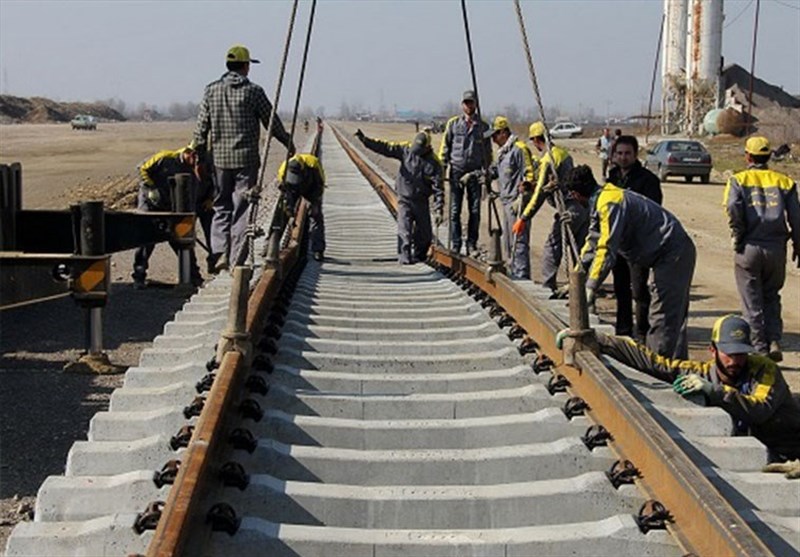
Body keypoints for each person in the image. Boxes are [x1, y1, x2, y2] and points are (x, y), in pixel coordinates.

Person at [556, 315, 800, 471]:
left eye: (740, 353)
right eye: (729, 353)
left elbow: (759, 410)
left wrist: (715, 392)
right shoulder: (703, 372)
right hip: (760, 456)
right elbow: (655, 363)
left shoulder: (765, 370)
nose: (736, 360)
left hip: (790, 449)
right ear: (712, 350)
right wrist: (598, 340)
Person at [566, 165, 695, 359]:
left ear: (575, 194)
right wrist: (577, 276)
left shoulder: (610, 203)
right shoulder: (602, 199)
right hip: (668, 252)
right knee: (671, 319)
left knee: (663, 318)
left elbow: (606, 248)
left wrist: (590, 287)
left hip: (673, 253)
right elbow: (593, 240)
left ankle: (659, 371)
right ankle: (676, 367)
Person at [193, 44, 295, 272]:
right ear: (246, 66)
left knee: (221, 206)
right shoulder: (254, 92)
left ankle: (219, 252)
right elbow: (272, 121)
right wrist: (287, 142)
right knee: (241, 207)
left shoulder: (211, 90)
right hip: (246, 161)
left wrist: (200, 158)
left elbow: (201, 129)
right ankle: (236, 258)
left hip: (219, 160)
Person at [724, 136, 800, 362]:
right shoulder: (784, 181)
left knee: (751, 301)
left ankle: (759, 348)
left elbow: (732, 206)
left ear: (747, 156)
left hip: (749, 246)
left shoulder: (738, 180)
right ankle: (774, 339)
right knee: (771, 296)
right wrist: (798, 243)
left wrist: (738, 233)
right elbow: (796, 217)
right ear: (768, 156)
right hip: (776, 249)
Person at [512, 121, 587, 295]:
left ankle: (548, 287)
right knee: (580, 251)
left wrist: (524, 218)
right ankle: (582, 291)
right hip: (582, 209)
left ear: (537, 139)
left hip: (569, 209)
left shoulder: (549, 159)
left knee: (552, 247)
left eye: (534, 141)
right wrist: (530, 186)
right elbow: (546, 184)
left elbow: (540, 194)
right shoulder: (563, 153)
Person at [356, 129, 444, 264]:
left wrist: (439, 209)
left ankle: (419, 256)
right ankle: (404, 258)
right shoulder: (405, 150)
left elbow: (439, 188)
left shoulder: (435, 163)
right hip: (405, 198)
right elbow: (385, 148)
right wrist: (365, 140)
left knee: (425, 234)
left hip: (421, 201)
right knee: (404, 230)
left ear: (427, 147)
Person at [608, 135, 663, 340]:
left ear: (635, 154)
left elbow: (654, 212)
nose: (623, 158)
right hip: (618, 242)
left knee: (639, 290)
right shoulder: (612, 177)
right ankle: (623, 329)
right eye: (619, 153)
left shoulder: (647, 180)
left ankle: (642, 331)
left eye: (627, 153)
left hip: (638, 245)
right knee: (620, 288)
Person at [132, 145, 203, 289]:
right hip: (150, 203)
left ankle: (194, 277)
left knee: (181, 241)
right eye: (194, 157)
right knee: (146, 239)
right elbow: (142, 169)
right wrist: (151, 187)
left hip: (170, 206)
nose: (195, 161)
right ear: (187, 153)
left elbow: (191, 199)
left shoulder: (191, 173)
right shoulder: (164, 157)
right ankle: (139, 276)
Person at [438, 90, 492, 255]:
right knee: (455, 210)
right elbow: (445, 147)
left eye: (471, 102)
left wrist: (486, 174)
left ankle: (471, 244)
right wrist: (442, 169)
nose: (469, 106)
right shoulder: (453, 124)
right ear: (462, 105)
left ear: (476, 104)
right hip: (456, 172)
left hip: (475, 173)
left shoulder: (484, 127)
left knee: (474, 210)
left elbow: (488, 153)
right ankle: (456, 243)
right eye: (466, 103)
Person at [486, 116, 536, 279]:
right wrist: (484, 175)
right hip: (506, 202)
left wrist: (523, 195)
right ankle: (514, 272)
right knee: (509, 243)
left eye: (494, 135)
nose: (493, 139)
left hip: (517, 203)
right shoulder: (502, 153)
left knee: (518, 242)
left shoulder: (519, 149)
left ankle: (521, 276)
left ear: (503, 133)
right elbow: (495, 171)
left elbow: (529, 174)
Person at [278, 154, 326, 261]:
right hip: (292, 188)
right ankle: (272, 244)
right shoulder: (283, 170)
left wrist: (314, 202)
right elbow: (284, 189)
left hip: (311, 187)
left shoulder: (313, 164)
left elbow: (320, 183)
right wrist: (289, 209)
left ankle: (318, 249)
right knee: (282, 212)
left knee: (316, 216)